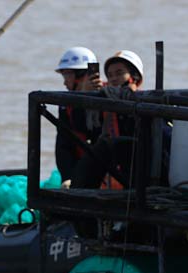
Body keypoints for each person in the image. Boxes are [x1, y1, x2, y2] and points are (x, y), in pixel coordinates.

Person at [72, 50, 145, 190]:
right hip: (109, 180)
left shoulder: (145, 105)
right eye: (110, 75)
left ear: (134, 77)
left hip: (136, 176)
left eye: (119, 73)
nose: (113, 79)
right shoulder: (104, 104)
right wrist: (86, 96)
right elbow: (80, 126)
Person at [54, 47, 103, 187]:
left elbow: (90, 130)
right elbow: (63, 145)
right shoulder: (65, 105)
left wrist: (88, 97)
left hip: (106, 172)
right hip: (80, 171)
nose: (64, 83)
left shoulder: (109, 96)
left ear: (82, 75)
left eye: (67, 76)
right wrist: (67, 177)